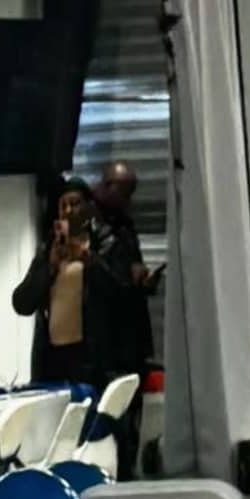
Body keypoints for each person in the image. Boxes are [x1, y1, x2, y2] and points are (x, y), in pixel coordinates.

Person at [79, 166, 159, 473]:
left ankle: (126, 470)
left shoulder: (125, 224)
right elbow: (91, 277)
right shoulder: (85, 221)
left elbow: (131, 266)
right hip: (102, 337)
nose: (128, 200)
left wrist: (142, 278)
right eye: (124, 192)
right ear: (107, 185)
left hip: (131, 334)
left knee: (131, 417)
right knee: (106, 416)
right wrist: (127, 279)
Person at [16, 180, 100, 411]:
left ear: (89, 208)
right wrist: (50, 267)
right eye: (63, 205)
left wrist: (89, 260)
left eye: (75, 203)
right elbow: (21, 303)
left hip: (88, 355)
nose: (69, 210)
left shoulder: (100, 245)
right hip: (51, 356)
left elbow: (116, 295)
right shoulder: (48, 250)